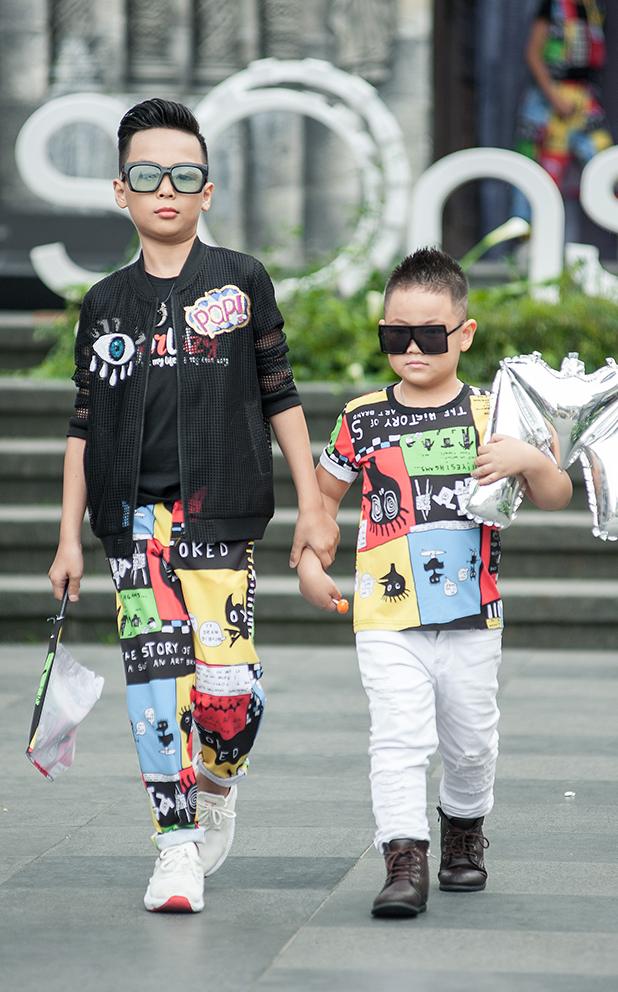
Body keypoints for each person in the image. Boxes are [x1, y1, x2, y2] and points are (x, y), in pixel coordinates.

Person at [48, 98, 338, 914]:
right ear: (121, 191)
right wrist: (68, 536)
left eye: (184, 175)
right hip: (133, 523)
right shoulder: (106, 302)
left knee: (228, 698)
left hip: (222, 516)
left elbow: (279, 395)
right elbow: (84, 423)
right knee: (154, 687)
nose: (166, 189)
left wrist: (314, 506)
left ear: (208, 190)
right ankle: (173, 846)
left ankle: (216, 782)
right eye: (147, 175)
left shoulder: (241, 281)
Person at [297, 248, 572, 918]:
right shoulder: (362, 416)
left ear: (465, 333)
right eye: (397, 335)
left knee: (471, 741)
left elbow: (557, 494)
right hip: (386, 614)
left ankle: (463, 832)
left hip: (473, 614)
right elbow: (322, 496)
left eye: (430, 333)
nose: (413, 348)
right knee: (398, 736)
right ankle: (404, 858)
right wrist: (308, 559)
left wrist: (531, 458)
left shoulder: (496, 414)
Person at [514, 0, 618, 238]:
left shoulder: (594, 8)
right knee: (540, 177)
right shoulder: (552, 6)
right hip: (548, 104)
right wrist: (554, 96)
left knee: (608, 168)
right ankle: (527, 242)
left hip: (584, 100)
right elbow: (533, 54)